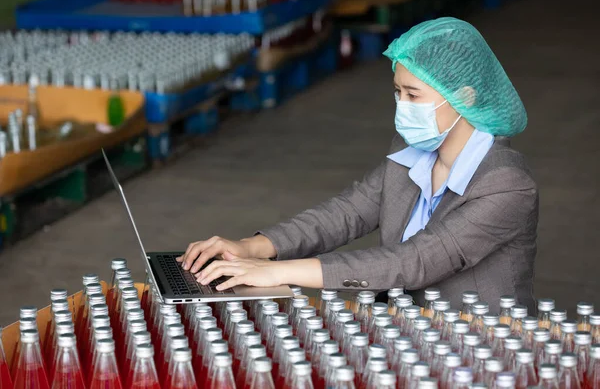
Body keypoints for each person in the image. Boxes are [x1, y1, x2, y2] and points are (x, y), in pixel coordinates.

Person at [177, 17, 538, 312]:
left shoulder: (506, 184)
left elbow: (414, 262)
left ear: (465, 96)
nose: (403, 106)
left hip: (478, 344)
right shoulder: (413, 151)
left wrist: (276, 273)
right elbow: (347, 212)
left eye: (414, 95)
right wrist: (253, 248)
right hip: (406, 327)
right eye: (398, 93)